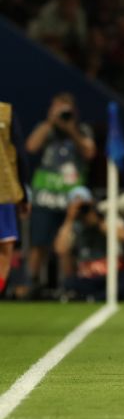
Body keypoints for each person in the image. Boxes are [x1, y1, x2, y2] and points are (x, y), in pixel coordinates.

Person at [25, 92, 96, 290]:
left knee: (68, 246)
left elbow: (89, 152)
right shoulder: (46, 129)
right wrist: (50, 121)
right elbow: (30, 147)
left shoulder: (81, 130)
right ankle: (29, 285)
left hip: (72, 199)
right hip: (45, 197)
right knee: (38, 244)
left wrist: (71, 129)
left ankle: (70, 287)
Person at [0, 101, 30, 296]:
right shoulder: (5, 112)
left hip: (4, 192)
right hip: (4, 191)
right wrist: (24, 196)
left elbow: (18, 154)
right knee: (4, 252)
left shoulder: (6, 112)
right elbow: (19, 154)